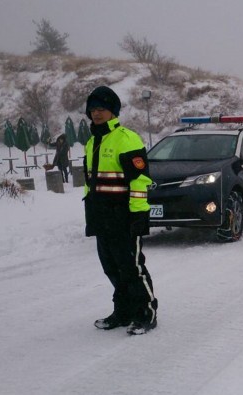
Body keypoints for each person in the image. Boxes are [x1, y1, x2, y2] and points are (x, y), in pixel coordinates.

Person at [83, 86, 157, 335]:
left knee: (131, 267)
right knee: (111, 267)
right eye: (92, 109)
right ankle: (123, 311)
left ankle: (146, 314)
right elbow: (90, 180)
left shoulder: (127, 139)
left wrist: (138, 214)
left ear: (113, 111)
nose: (96, 113)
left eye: (101, 108)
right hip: (101, 217)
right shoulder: (92, 141)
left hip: (124, 216)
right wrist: (89, 207)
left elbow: (139, 180)